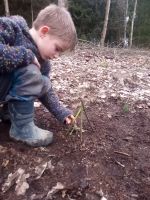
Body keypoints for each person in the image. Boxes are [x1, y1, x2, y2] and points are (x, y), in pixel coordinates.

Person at [0, 4, 77, 147]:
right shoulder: (11, 27)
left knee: (43, 81)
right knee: (30, 70)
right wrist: (25, 55)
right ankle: (22, 128)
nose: (57, 56)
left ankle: (10, 114)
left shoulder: (44, 62)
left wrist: (61, 112)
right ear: (44, 32)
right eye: (57, 49)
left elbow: (44, 89)